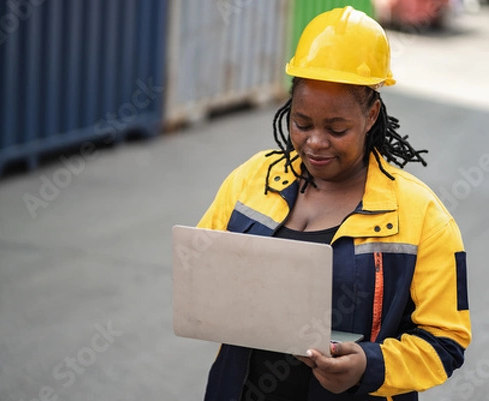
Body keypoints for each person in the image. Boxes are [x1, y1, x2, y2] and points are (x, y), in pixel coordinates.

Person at [198, 6, 471, 401]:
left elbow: (446, 342)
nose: (315, 142)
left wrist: (369, 365)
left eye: (336, 128)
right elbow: (203, 272)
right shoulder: (252, 179)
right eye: (302, 123)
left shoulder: (420, 215)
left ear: (372, 115)